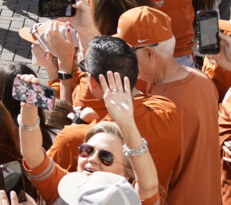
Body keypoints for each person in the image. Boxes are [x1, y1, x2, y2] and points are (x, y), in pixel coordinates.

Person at [114, 5, 219, 200]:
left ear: (148, 53)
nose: (122, 59)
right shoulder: (202, 80)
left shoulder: (158, 106)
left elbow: (150, 183)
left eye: (126, 53)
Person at [17, 69, 159, 204]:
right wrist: (29, 107)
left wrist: (127, 123)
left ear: (126, 174)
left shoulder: (129, 200)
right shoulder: (64, 188)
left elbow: (149, 187)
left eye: (106, 157)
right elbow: (33, 155)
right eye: (86, 150)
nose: (92, 159)